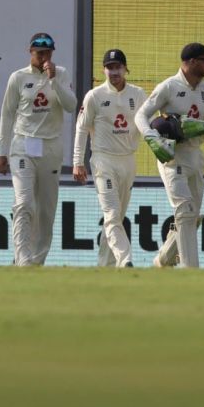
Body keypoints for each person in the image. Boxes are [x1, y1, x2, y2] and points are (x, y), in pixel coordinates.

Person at [135, 42, 204, 268]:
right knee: (185, 211)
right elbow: (141, 116)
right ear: (191, 62)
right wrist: (152, 138)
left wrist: (202, 127)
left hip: (196, 155)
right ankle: (190, 269)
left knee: (192, 216)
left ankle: (164, 259)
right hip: (172, 155)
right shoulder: (169, 86)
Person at [0, 33, 77, 266]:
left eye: (48, 53)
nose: (44, 57)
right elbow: (7, 114)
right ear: (30, 52)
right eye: (39, 52)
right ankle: (22, 259)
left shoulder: (60, 74)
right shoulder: (18, 77)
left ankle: (36, 261)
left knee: (46, 209)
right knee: (23, 202)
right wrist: (2, 152)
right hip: (23, 145)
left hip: (51, 146)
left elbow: (71, 105)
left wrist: (53, 81)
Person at [73, 49, 146, 268]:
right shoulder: (95, 96)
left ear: (125, 69)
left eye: (117, 67)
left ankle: (105, 266)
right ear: (104, 70)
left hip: (128, 160)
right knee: (112, 213)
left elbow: (148, 123)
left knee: (116, 218)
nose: (114, 72)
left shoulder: (138, 94)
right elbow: (81, 128)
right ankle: (126, 260)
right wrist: (78, 162)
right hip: (103, 160)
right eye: (109, 67)